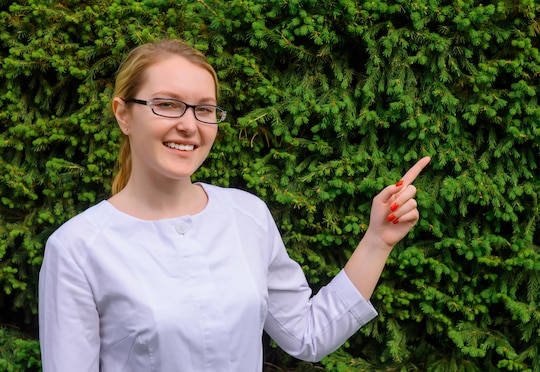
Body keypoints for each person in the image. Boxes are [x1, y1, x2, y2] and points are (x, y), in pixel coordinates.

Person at [38, 39, 431, 371]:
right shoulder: (76, 248)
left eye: (204, 109)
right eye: (168, 105)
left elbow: (308, 335)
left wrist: (378, 239)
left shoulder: (247, 215)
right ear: (123, 114)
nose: (189, 125)